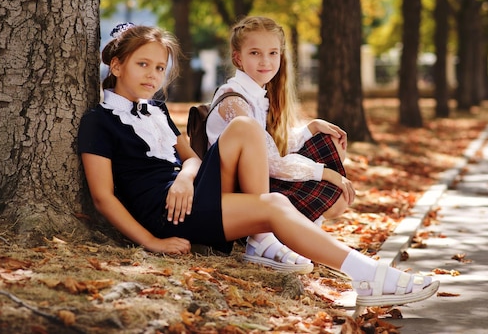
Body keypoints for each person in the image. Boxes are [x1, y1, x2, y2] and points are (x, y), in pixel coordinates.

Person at [77, 23, 439, 310]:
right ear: (117, 65)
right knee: (273, 203)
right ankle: (368, 276)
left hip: (188, 193)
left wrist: (186, 178)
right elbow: (103, 198)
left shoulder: (154, 110)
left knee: (246, 128)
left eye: (159, 67)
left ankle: (276, 245)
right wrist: (153, 243)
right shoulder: (99, 120)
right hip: (164, 213)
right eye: (143, 64)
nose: (153, 75)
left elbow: (191, 158)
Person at [205, 16, 355, 267]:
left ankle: (295, 235)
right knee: (334, 190)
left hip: (261, 180)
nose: (265, 61)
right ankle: (265, 239)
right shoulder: (233, 99)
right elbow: (271, 161)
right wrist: (327, 173)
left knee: (326, 145)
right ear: (238, 58)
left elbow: (274, 145)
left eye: (273, 53)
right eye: (255, 53)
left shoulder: (259, 95)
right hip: (237, 193)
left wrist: (310, 128)